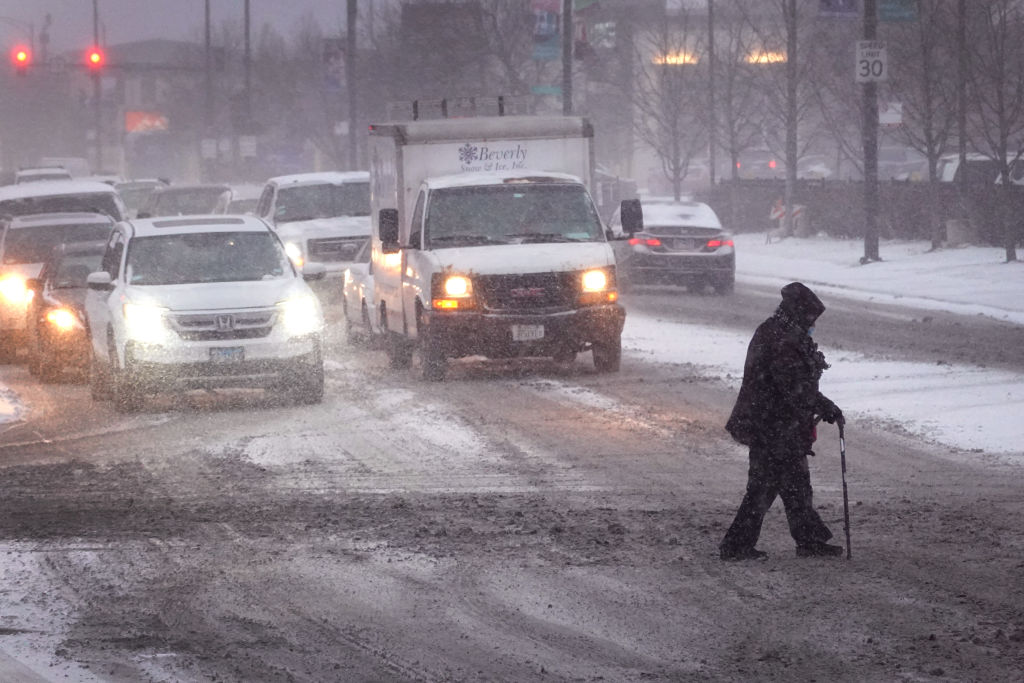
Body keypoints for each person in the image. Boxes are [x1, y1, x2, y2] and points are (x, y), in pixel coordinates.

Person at [719, 282, 845, 561]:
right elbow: (793, 387)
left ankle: (809, 539)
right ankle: (736, 545)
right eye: (811, 318)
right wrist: (823, 406)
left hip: (778, 425)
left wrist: (821, 404)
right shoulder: (780, 339)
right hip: (770, 426)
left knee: (796, 484)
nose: (812, 324)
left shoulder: (781, 332)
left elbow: (797, 387)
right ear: (799, 313)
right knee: (763, 487)